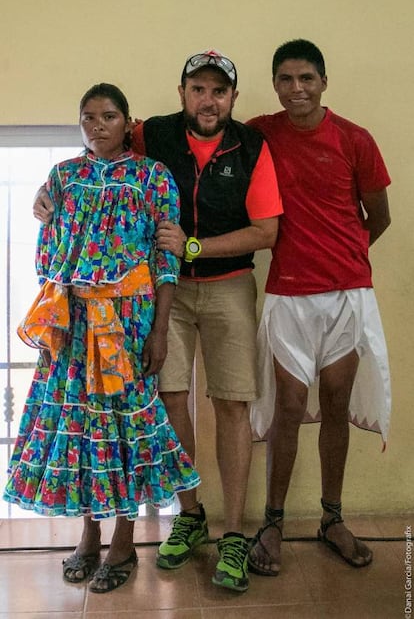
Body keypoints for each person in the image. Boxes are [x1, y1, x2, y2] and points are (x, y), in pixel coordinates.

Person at [32, 49, 283, 592]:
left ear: (233, 98)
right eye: (199, 89)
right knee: (161, 404)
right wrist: (45, 196)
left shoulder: (251, 146)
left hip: (220, 286)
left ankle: (234, 533)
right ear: (182, 94)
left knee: (232, 403)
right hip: (122, 312)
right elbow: (98, 154)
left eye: (219, 90)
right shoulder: (154, 135)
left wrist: (193, 247)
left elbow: (266, 232)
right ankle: (188, 516)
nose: (208, 99)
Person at [4, 82, 201, 594]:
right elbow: (47, 256)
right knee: (80, 427)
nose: (97, 125)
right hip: (72, 325)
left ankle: (123, 541)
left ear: (127, 122)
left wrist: (159, 331)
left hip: (129, 323)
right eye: (87, 117)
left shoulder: (151, 176)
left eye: (108, 116)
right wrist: (44, 215)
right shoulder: (63, 177)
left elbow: (166, 260)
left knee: (122, 430)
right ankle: (88, 536)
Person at [247, 39, 392, 576]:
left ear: (324, 82)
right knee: (287, 407)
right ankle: (272, 523)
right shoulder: (261, 132)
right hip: (287, 296)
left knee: (335, 402)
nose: (296, 89)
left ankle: (332, 519)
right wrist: (136, 131)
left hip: (348, 295)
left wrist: (344, 257)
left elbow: (379, 216)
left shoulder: (355, 139)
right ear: (275, 85)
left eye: (306, 78)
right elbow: (199, 131)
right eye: (285, 79)